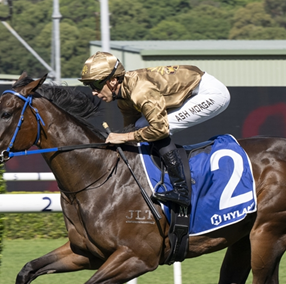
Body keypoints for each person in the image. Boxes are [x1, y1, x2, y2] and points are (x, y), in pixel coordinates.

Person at [79, 51, 231, 208]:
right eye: (89, 86)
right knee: (140, 126)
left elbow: (159, 130)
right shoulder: (124, 99)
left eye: (96, 85)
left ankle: (182, 191)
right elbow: (130, 130)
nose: (94, 92)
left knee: (157, 128)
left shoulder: (140, 91)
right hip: (192, 89)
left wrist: (124, 137)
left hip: (211, 94)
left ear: (112, 80)